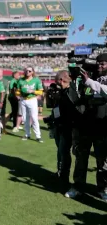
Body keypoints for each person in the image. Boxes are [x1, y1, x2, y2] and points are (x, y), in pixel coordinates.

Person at [65, 53, 107, 201]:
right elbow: (79, 99)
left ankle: (102, 189)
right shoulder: (88, 78)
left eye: (103, 63)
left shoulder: (96, 81)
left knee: (102, 162)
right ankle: (78, 186)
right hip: (86, 126)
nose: (100, 66)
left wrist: (89, 82)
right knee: (81, 158)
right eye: (98, 63)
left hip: (103, 128)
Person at [16, 67, 43, 143]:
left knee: (34, 118)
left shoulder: (36, 80)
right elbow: (17, 91)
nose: (27, 72)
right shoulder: (21, 80)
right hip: (23, 100)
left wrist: (33, 91)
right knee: (25, 119)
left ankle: (38, 136)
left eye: (29, 71)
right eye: (26, 70)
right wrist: (20, 94)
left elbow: (41, 92)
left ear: (32, 72)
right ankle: (27, 134)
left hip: (32, 99)